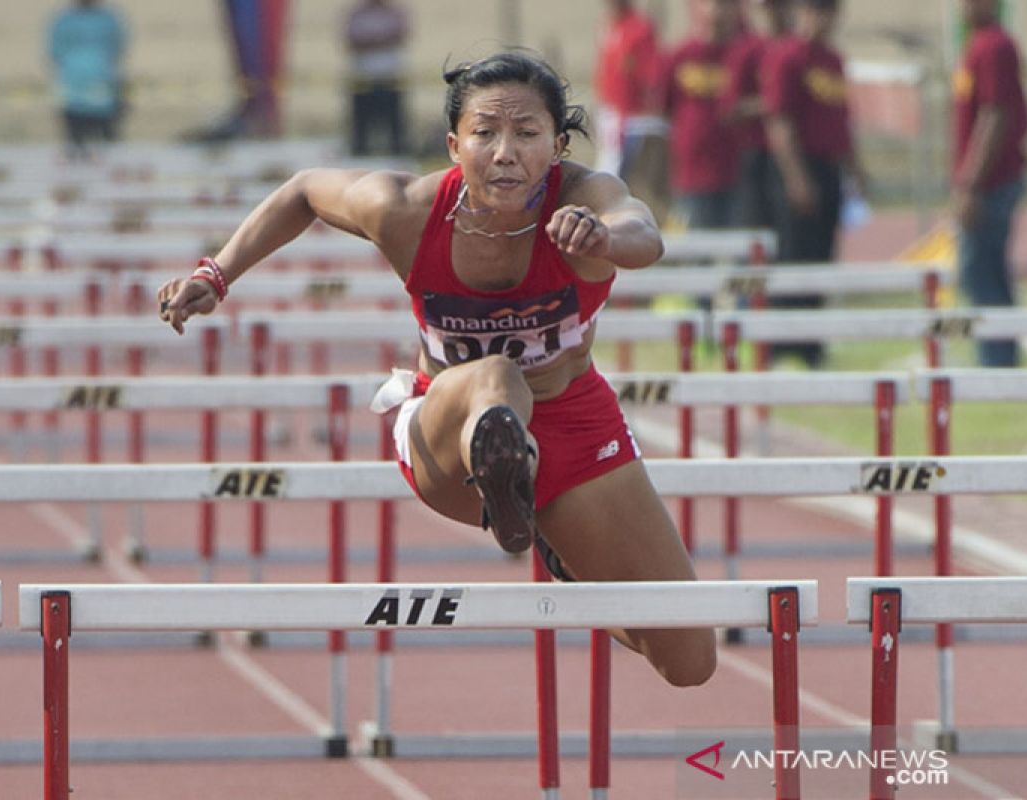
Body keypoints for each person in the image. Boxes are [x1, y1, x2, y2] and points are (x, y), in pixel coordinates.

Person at [157, 51, 717, 688]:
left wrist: (605, 240)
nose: (505, 152)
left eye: (527, 134)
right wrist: (215, 274)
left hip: (574, 423)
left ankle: (558, 548)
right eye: (485, 133)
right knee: (496, 377)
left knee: (689, 658)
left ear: (558, 145)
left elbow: (644, 233)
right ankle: (503, 461)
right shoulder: (405, 210)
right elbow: (305, 189)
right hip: (451, 434)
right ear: (454, 145)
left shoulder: (587, 201)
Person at [761, 0, 865, 367]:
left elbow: (842, 122)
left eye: (827, 10)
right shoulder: (787, 57)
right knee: (793, 256)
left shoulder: (833, 61)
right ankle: (783, 342)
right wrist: (796, 178)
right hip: (798, 166)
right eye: (814, 9)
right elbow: (780, 122)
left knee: (822, 254)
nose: (820, 18)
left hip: (829, 167)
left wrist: (856, 170)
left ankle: (811, 343)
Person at [952, 0, 1027, 368]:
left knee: (979, 270)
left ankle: (997, 363)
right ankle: (1000, 359)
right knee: (986, 270)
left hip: (991, 182)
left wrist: (970, 184)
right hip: (985, 180)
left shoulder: (994, 46)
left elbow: (995, 114)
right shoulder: (977, 44)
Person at [662, 0, 743, 230]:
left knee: (743, 251)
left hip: (738, 173)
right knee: (697, 250)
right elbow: (663, 111)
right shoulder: (680, 55)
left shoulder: (746, 55)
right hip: (692, 174)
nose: (718, 10)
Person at [721, 0, 793, 229]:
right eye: (768, 7)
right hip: (757, 153)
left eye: (780, 6)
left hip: (796, 153)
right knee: (757, 230)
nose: (775, 12)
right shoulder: (747, 50)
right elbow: (729, 108)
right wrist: (770, 104)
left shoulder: (797, 48)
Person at [47, 0, 128, 155]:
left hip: (90, 92)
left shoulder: (64, 20)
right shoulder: (108, 19)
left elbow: (54, 54)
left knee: (97, 148)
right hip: (84, 93)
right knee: (93, 148)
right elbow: (118, 50)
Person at [594, 1, 663, 181]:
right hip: (609, 106)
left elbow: (649, 72)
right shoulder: (609, 24)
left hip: (628, 113)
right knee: (607, 160)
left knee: (617, 166)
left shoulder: (639, 28)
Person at [344, 0, 410, 157]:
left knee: (395, 132)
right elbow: (352, 42)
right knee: (361, 132)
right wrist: (380, 40)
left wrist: (371, 41)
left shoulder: (394, 12)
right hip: (363, 80)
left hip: (390, 79)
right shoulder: (357, 14)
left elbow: (399, 36)